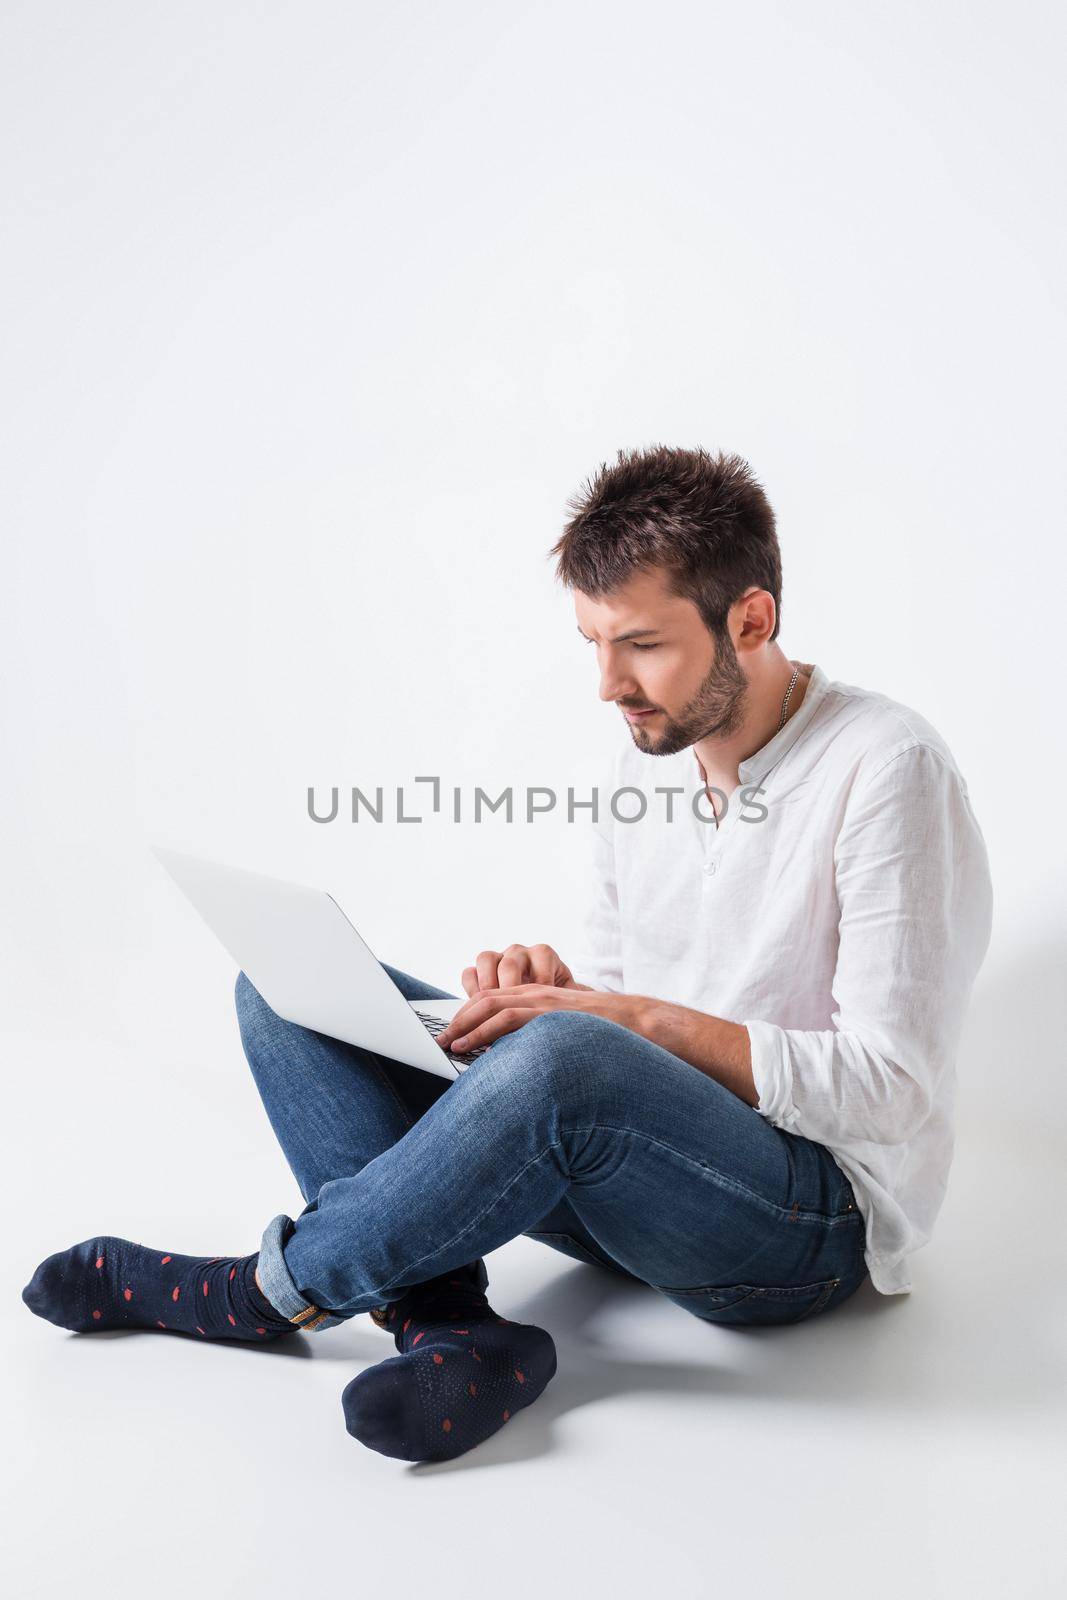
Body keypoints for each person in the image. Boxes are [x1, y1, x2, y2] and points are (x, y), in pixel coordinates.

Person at [22, 445, 994, 1465]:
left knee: (564, 1054)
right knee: (288, 991)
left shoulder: (887, 768)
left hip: (801, 1226)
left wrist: (607, 1028)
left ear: (749, 620)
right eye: (591, 643)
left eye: (641, 645)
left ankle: (267, 1289)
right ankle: (453, 1331)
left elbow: (890, 1089)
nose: (608, 684)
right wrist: (557, 992)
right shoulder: (646, 756)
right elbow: (624, 1018)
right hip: (645, 1175)